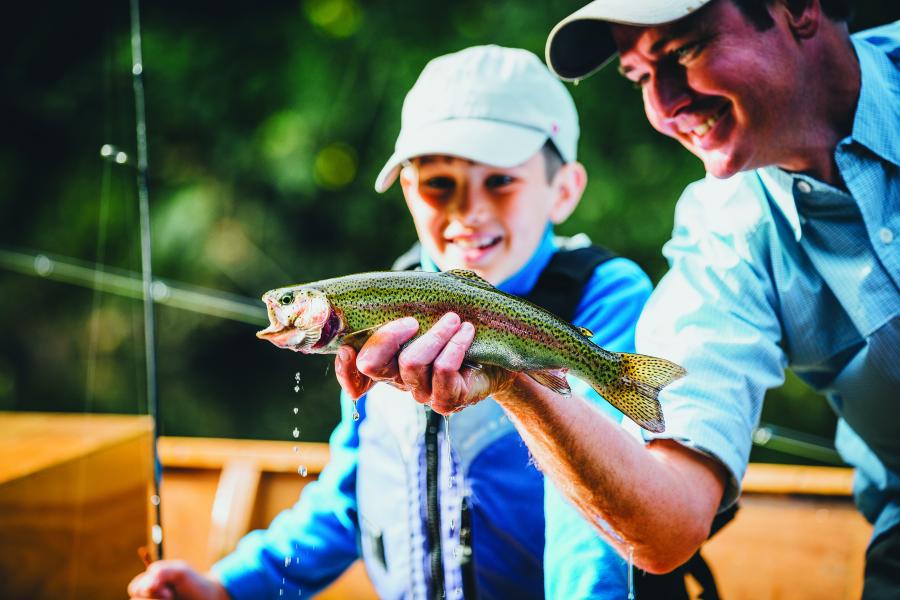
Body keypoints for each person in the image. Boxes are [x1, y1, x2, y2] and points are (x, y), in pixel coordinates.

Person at [335, 1, 899, 598]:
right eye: (638, 78)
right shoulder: (720, 239)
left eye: (683, 51)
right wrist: (511, 377)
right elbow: (667, 528)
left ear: (800, 8)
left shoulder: (605, 290)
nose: (663, 107)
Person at [128, 45, 655, 600]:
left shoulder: (604, 292)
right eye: (438, 184)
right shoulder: (381, 305)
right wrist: (228, 588)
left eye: (499, 181)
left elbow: (594, 510)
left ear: (565, 189)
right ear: (408, 189)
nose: (467, 210)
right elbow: (349, 496)